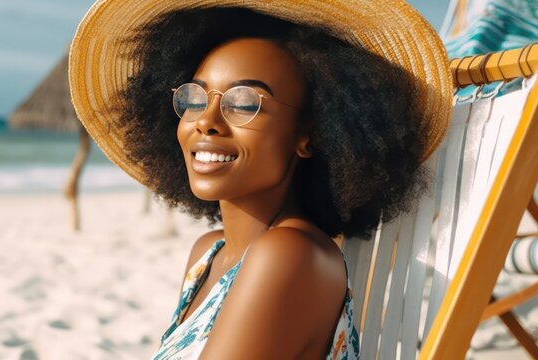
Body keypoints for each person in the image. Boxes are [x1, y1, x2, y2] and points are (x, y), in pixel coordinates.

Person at [68, 1, 453, 359]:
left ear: (310, 134)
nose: (206, 121)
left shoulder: (290, 256)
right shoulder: (209, 254)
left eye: (244, 103)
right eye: (195, 98)